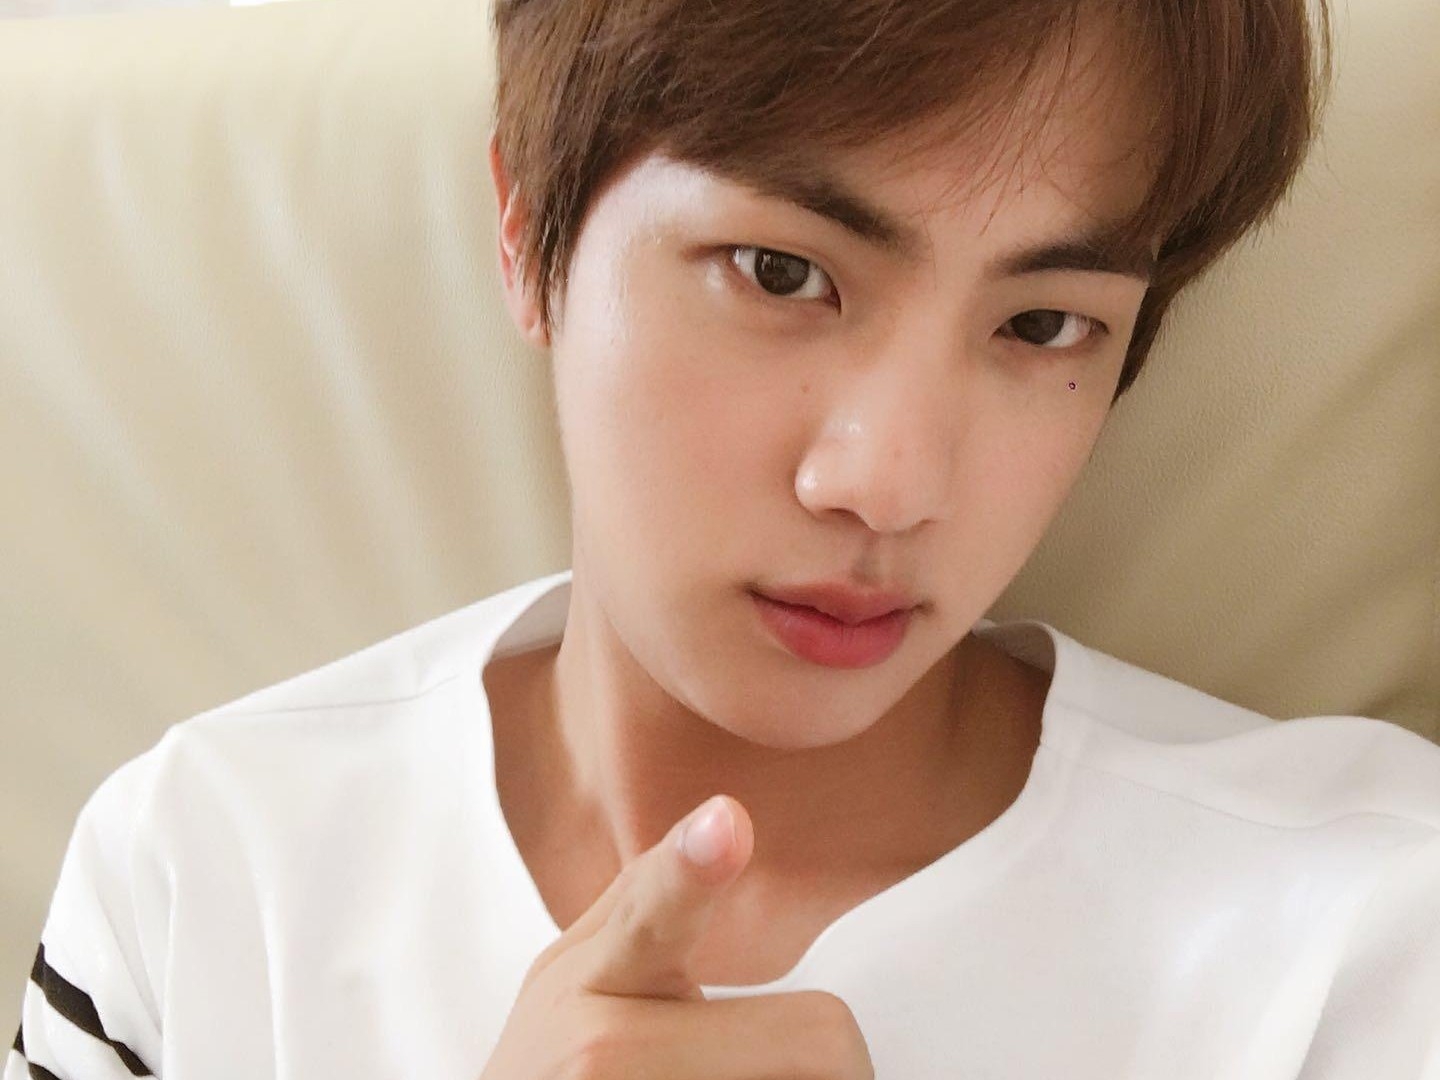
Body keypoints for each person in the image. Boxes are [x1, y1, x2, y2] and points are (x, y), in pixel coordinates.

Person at [9, 0, 1439, 1078]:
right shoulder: (203, 875)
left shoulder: (1365, 934)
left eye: (1043, 323)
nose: (886, 484)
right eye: (781, 273)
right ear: (526, 231)